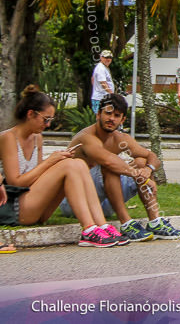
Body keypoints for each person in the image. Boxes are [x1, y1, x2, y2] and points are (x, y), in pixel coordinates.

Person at [0, 86, 126, 247]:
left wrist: (55, 162)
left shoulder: (37, 138)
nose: (47, 125)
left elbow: (35, 178)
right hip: (15, 207)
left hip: (36, 207)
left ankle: (101, 225)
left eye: (50, 120)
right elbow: (15, 182)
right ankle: (88, 229)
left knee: (78, 163)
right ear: (30, 114)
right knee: (68, 166)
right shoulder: (8, 138)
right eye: (45, 119)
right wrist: (51, 162)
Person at [64, 93, 180, 241]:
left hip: (103, 204)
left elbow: (152, 157)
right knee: (111, 166)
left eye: (116, 115)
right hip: (75, 202)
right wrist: (141, 176)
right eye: (108, 113)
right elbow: (108, 161)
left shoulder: (120, 139)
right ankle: (126, 223)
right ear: (98, 114)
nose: (111, 119)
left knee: (141, 161)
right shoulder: (87, 137)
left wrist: (148, 170)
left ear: (122, 120)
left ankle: (155, 222)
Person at [91, 49, 116, 113]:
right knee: (101, 119)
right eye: (106, 57)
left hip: (103, 97)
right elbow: (103, 83)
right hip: (101, 99)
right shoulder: (101, 68)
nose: (108, 59)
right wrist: (112, 95)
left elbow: (92, 79)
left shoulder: (104, 67)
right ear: (101, 57)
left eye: (110, 57)